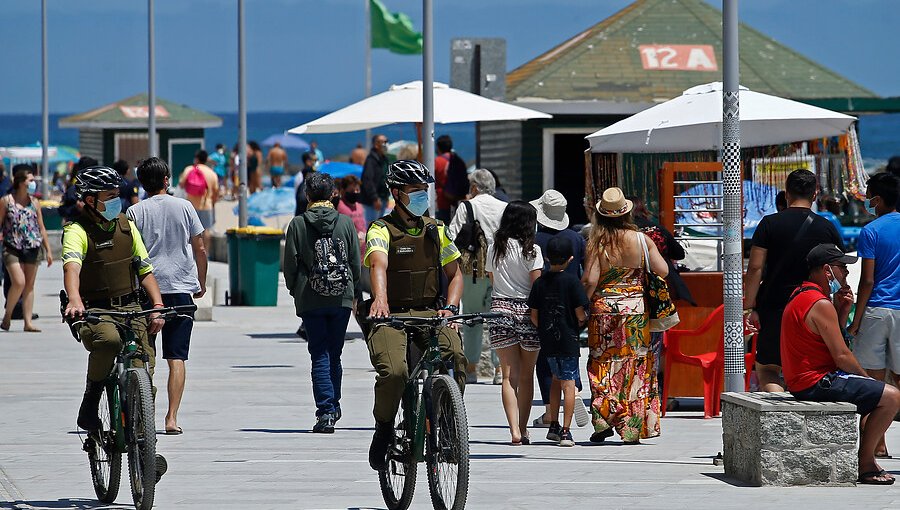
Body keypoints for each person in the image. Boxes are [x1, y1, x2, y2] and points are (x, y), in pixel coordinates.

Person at [61, 166, 167, 479]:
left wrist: (157, 306)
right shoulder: (76, 231)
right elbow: (72, 268)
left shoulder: (126, 225)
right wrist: (76, 301)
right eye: (108, 197)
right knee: (108, 341)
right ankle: (90, 403)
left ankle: (144, 447)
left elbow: (144, 268)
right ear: (89, 200)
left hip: (131, 304)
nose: (115, 202)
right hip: (94, 308)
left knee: (143, 369)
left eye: (116, 196)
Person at [364, 160, 465, 470]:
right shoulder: (381, 228)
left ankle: (449, 426)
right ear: (397, 193)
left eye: (425, 191)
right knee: (394, 372)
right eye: (415, 191)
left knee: (456, 356)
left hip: (430, 312)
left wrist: (450, 307)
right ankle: (383, 429)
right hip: (390, 315)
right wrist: (380, 299)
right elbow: (378, 264)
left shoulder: (437, 230)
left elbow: (456, 273)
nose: (423, 196)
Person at [781, 243, 900, 485]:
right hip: (816, 381)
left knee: (876, 394)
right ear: (827, 270)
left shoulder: (801, 294)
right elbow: (842, 356)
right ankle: (865, 464)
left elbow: (824, 341)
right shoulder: (820, 303)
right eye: (842, 268)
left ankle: (866, 458)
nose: (845, 274)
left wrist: (842, 311)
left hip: (802, 380)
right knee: (891, 397)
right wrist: (867, 379)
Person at [128, 157, 208, 435]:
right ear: (166, 180)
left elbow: (131, 255)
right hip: (180, 289)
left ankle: (141, 418)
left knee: (142, 357)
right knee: (177, 358)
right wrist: (201, 281)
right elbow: (200, 248)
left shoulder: (134, 212)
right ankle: (171, 418)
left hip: (147, 292)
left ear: (141, 183)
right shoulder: (185, 207)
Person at [744, 169, 844, 392]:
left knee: (769, 368)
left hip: (775, 305)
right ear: (815, 193)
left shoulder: (769, 224)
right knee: (807, 370)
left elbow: (755, 267)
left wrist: (750, 305)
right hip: (813, 306)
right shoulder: (826, 227)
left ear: (786, 193)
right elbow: (837, 269)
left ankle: (781, 420)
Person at [583, 187, 667, 444]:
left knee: (602, 364)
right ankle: (630, 427)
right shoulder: (642, 240)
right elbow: (662, 270)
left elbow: (589, 280)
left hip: (604, 311)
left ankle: (605, 417)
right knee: (635, 365)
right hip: (636, 311)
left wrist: (581, 306)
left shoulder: (598, 243)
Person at [284, 172, 361, 434]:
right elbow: (354, 262)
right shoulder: (346, 222)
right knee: (335, 353)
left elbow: (290, 265)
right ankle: (334, 405)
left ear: (307, 196)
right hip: (341, 297)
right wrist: (354, 293)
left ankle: (326, 411)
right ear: (333, 195)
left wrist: (296, 291)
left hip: (311, 298)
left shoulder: (297, 224)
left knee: (319, 354)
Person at [846, 173, 900, 455]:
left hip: (878, 310)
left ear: (877, 200)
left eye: (868, 196)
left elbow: (866, 280)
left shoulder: (871, 231)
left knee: (873, 386)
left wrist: (855, 322)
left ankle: (877, 444)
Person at [529, 189, 589, 428]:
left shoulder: (535, 240)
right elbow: (585, 270)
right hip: (571, 302)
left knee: (545, 361)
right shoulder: (576, 238)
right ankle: (573, 389)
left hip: (544, 305)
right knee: (570, 355)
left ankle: (548, 413)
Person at [487, 200, 544, 445]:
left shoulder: (494, 248)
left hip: (499, 308)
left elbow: (492, 279)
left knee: (509, 375)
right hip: (526, 311)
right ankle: (524, 427)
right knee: (526, 375)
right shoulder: (533, 250)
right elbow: (537, 286)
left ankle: (514, 431)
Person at [448, 169, 507, 384]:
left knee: (472, 319)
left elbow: (452, 235)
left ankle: (471, 368)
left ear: (474, 187)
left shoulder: (467, 207)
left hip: (473, 272)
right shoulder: (504, 207)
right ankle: (500, 370)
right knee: (497, 319)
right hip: (499, 272)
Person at [0, 168, 52, 332]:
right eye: (30, 180)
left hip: (32, 246)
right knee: (19, 282)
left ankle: (27, 322)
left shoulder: (35, 202)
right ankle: (7, 316)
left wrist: (48, 250)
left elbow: (41, 228)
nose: (33, 183)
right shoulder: (6, 201)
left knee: (29, 285)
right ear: (21, 182)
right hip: (12, 246)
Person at [178, 150, 219, 252]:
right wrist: (213, 203)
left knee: (190, 230)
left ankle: (192, 252)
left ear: (196, 159)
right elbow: (216, 192)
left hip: (190, 205)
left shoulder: (189, 169)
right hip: (206, 205)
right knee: (206, 230)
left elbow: (181, 184)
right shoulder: (212, 173)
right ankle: (205, 253)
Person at [433, 134, 469, 222]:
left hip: (442, 201)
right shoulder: (459, 161)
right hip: (458, 200)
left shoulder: (437, 161)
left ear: (438, 147)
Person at [360, 134, 390, 223]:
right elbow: (367, 180)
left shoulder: (385, 159)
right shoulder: (371, 160)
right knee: (371, 224)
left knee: (380, 223)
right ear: (376, 144)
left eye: (386, 141)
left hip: (383, 198)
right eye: (383, 142)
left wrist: (387, 195)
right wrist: (374, 198)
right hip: (373, 201)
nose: (386, 144)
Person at [336, 174, 366, 247]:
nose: (355, 193)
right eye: (352, 190)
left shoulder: (359, 206)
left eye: (357, 190)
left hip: (363, 250)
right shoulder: (340, 207)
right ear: (343, 191)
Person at [294, 152, 318, 216]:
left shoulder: (299, 176)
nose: (315, 162)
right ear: (308, 161)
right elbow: (299, 196)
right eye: (314, 160)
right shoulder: (300, 177)